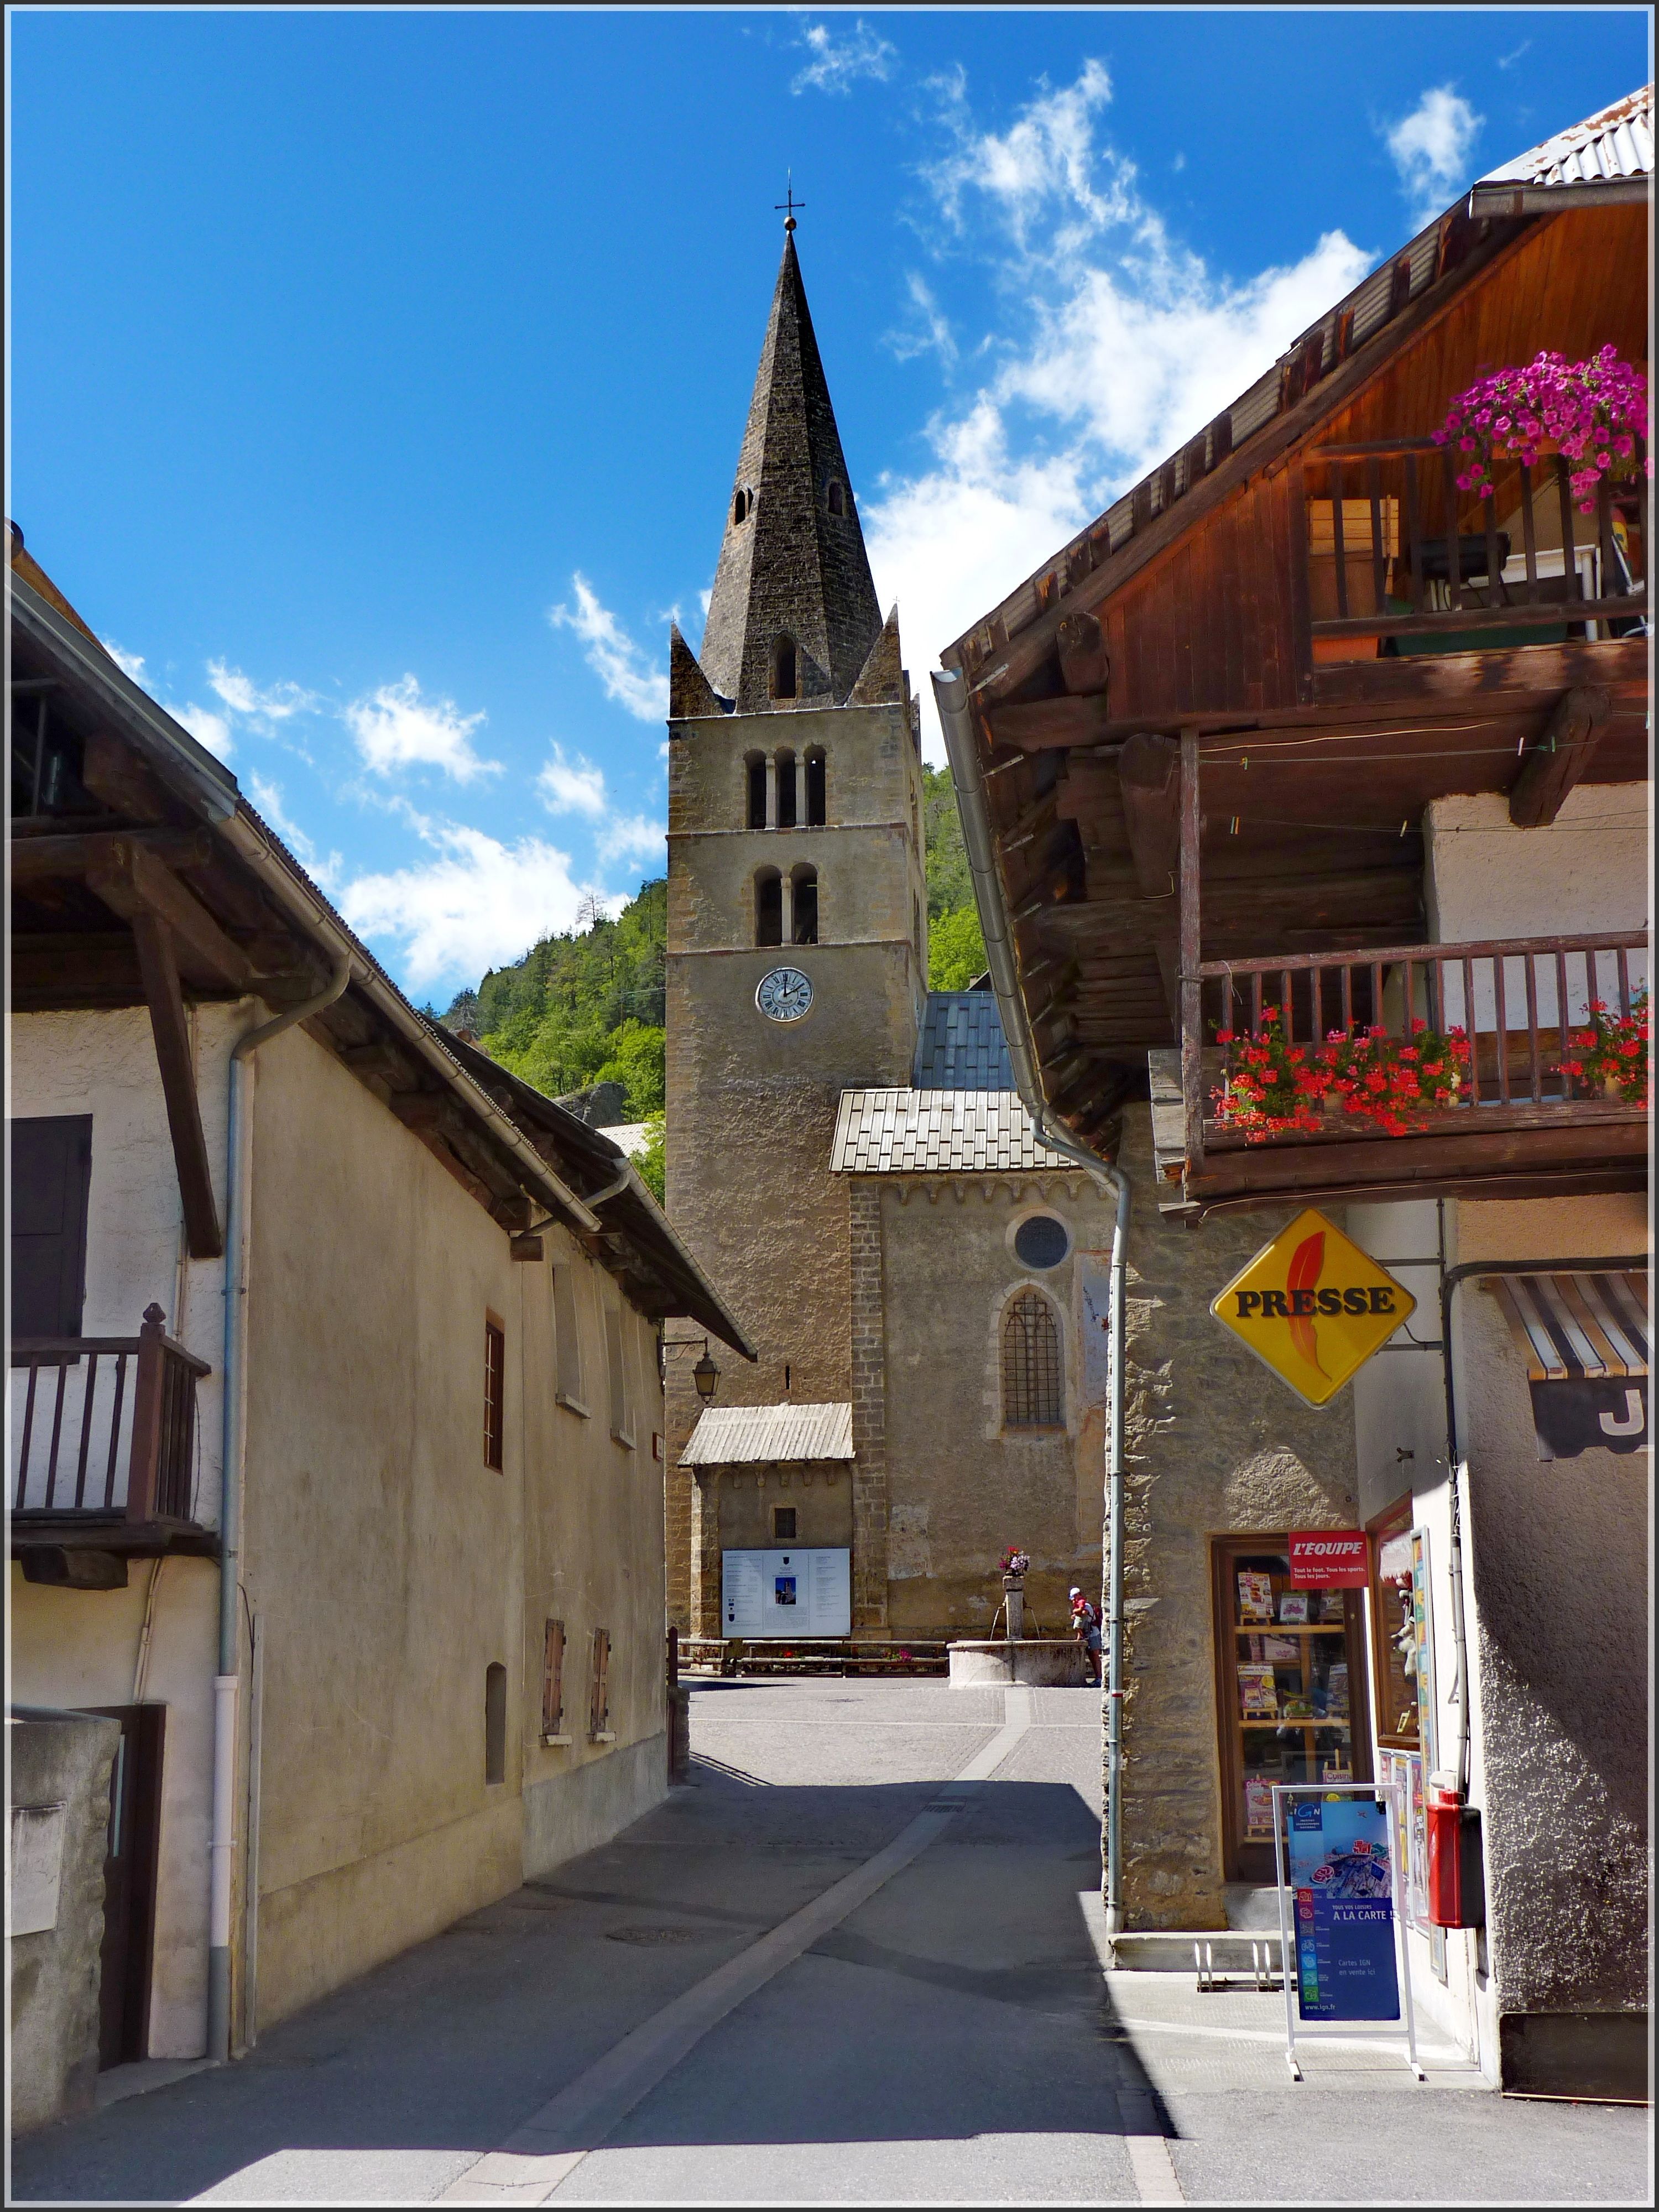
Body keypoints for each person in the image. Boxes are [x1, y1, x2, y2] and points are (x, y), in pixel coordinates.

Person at [1070, 1587, 1102, 1687]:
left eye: (1075, 1597)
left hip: (1094, 1634)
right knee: (1092, 1657)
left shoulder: (1087, 1606)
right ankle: (1098, 1678)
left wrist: (1075, 1613)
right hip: (1088, 1635)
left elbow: (1083, 1616)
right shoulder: (1081, 1607)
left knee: (1095, 1656)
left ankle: (1100, 1678)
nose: (1074, 1600)